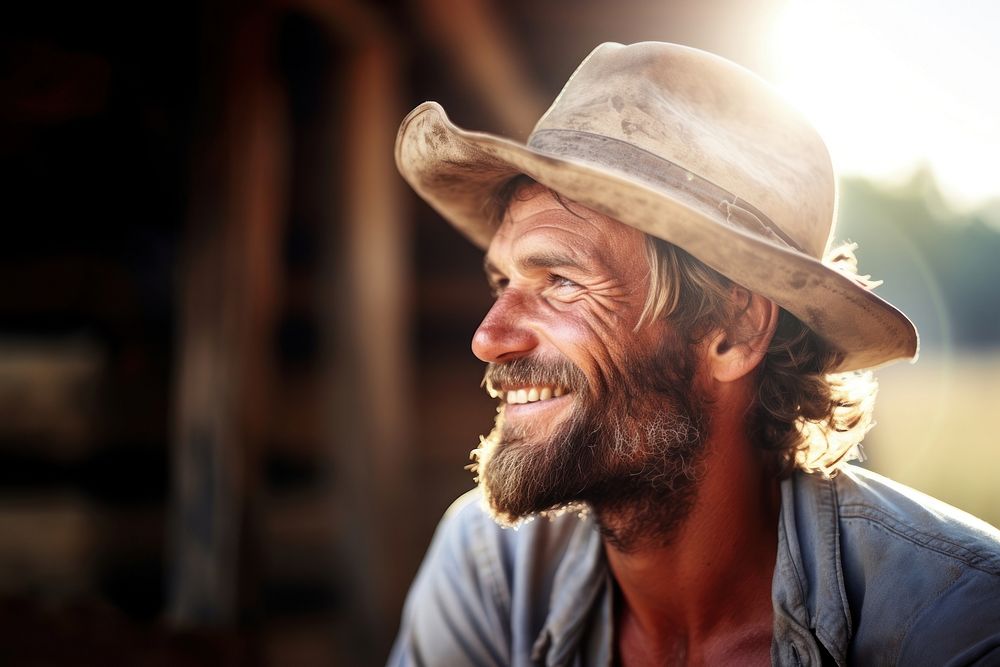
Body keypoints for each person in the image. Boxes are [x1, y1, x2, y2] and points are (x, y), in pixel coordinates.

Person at [389, 42, 1000, 665]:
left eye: (562, 282)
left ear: (732, 332)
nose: (489, 337)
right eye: (503, 283)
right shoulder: (489, 568)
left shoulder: (959, 623)